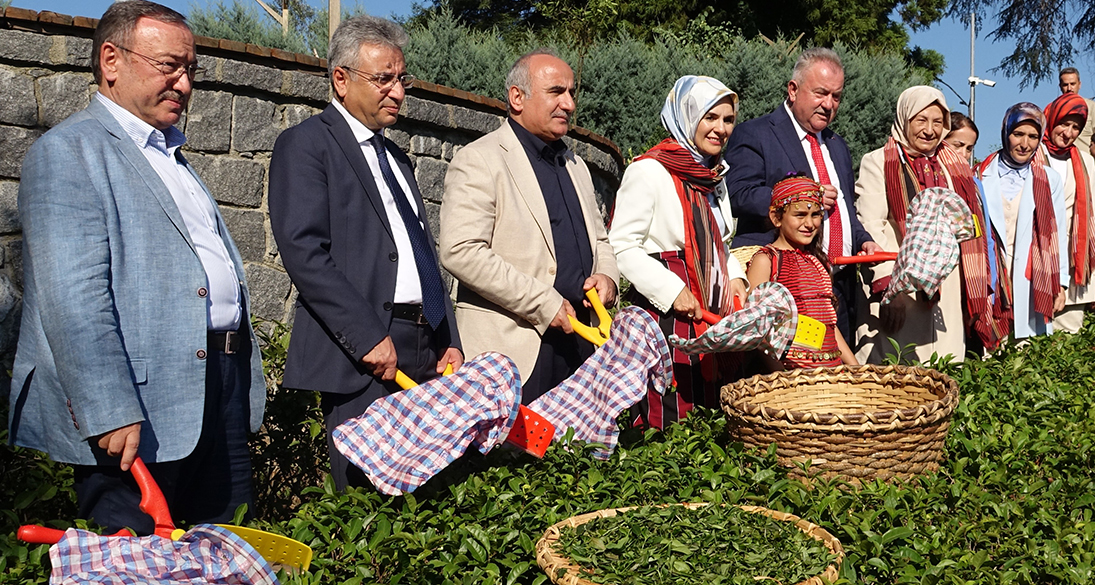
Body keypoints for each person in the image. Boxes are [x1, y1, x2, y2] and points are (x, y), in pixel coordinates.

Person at [8, 0, 266, 533]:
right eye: (169, 66)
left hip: (220, 387)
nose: (184, 84)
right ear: (111, 60)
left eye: (190, 69)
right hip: (136, 407)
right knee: (138, 570)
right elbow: (72, 296)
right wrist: (107, 407)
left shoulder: (172, 156)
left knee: (225, 557)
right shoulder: (68, 152)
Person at [269, 15, 461, 492]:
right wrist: (366, 336)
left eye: (402, 79)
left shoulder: (396, 158)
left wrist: (448, 336)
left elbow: (420, 252)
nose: (397, 91)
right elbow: (305, 251)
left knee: (429, 502)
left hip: (425, 348)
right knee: (368, 505)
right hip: (363, 356)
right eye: (383, 79)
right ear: (341, 78)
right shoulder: (306, 145)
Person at [440, 50, 618, 403]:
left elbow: (601, 240)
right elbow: (461, 252)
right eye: (556, 92)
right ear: (517, 97)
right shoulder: (479, 159)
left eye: (571, 93)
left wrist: (608, 277)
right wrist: (542, 303)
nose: (569, 104)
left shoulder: (576, 165)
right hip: (514, 354)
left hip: (581, 351)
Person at [607, 76, 748, 428]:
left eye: (728, 120)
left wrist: (735, 277)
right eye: (710, 117)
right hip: (666, 312)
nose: (720, 129)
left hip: (711, 306)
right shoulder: (648, 170)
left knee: (713, 411)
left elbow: (720, 242)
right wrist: (671, 291)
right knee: (670, 410)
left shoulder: (714, 177)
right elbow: (622, 245)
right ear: (687, 116)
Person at [723, 48, 879, 336]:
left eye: (836, 96)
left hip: (839, 285)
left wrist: (863, 239)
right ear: (793, 90)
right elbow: (737, 194)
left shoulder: (837, 146)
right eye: (821, 93)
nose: (829, 104)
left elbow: (844, 211)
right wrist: (803, 196)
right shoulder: (755, 133)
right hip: (784, 283)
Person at [855, 86, 990, 364]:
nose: (930, 130)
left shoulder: (954, 166)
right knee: (895, 370)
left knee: (945, 367)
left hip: (946, 290)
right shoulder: (878, 162)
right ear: (904, 118)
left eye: (937, 122)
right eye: (921, 120)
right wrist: (892, 290)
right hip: (898, 285)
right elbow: (871, 225)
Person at [976, 103, 1069, 342]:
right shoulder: (978, 175)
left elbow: (1059, 233)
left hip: (1032, 279)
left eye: (1033, 136)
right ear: (1005, 132)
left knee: (1026, 350)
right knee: (988, 347)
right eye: (1018, 134)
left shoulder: (1048, 179)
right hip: (990, 275)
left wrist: (1060, 283)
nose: (1025, 144)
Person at [746, 175, 859, 369]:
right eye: (800, 215)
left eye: (815, 215)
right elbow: (757, 328)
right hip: (790, 373)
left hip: (830, 371)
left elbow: (828, 325)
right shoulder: (767, 261)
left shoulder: (818, 261)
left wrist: (856, 369)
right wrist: (782, 377)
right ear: (776, 218)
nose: (809, 224)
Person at [1042, 93, 1095, 334]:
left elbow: (1094, 221)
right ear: (1051, 120)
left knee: (1067, 343)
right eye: (1064, 124)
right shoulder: (1031, 154)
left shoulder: (1085, 161)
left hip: (1073, 270)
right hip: (1035, 266)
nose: (1068, 133)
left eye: (1076, 128)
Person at [944, 113, 1006, 356]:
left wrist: (989, 286)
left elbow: (986, 237)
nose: (964, 154)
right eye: (957, 145)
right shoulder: (934, 179)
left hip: (975, 279)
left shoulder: (976, 184)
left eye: (969, 148)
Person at [1058, 67, 1095, 153]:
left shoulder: (1092, 107)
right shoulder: (1052, 110)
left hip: (1086, 158)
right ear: (1060, 86)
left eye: (1072, 84)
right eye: (1065, 85)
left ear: (1079, 84)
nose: (1069, 88)